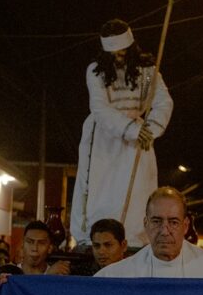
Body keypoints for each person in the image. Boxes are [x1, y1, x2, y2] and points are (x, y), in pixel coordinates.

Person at [69, 19, 173, 249]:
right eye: (113, 53)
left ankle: (135, 239)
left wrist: (150, 129)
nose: (118, 57)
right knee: (99, 188)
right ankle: (92, 238)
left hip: (139, 140)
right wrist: (131, 130)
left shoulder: (147, 72)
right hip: (103, 138)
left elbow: (163, 102)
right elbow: (100, 108)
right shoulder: (95, 71)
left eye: (122, 52)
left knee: (138, 188)